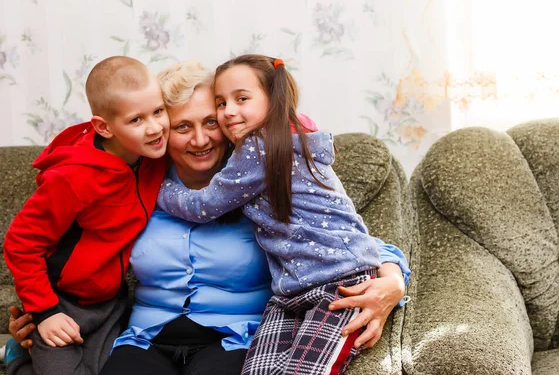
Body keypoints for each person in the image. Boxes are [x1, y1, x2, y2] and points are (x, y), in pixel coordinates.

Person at [8, 59, 409, 375]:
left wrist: (392, 282)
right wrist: (40, 313)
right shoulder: (136, 188)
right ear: (162, 128)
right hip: (143, 338)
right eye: (183, 126)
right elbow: (67, 253)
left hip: (234, 339)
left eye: (210, 123)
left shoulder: (261, 180)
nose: (199, 140)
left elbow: (342, 240)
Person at [156, 54, 411, 375]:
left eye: (240, 100)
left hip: (339, 286)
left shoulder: (260, 151)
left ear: (272, 101)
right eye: (221, 104)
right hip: (288, 294)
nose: (227, 113)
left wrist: (393, 279)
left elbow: (351, 236)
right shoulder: (261, 158)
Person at [2, 56, 169, 375]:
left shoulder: (154, 155)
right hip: (60, 300)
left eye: (158, 111)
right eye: (136, 120)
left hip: (111, 302)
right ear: (104, 127)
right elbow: (20, 243)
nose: (155, 127)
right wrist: (45, 311)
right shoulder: (72, 178)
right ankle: (17, 361)